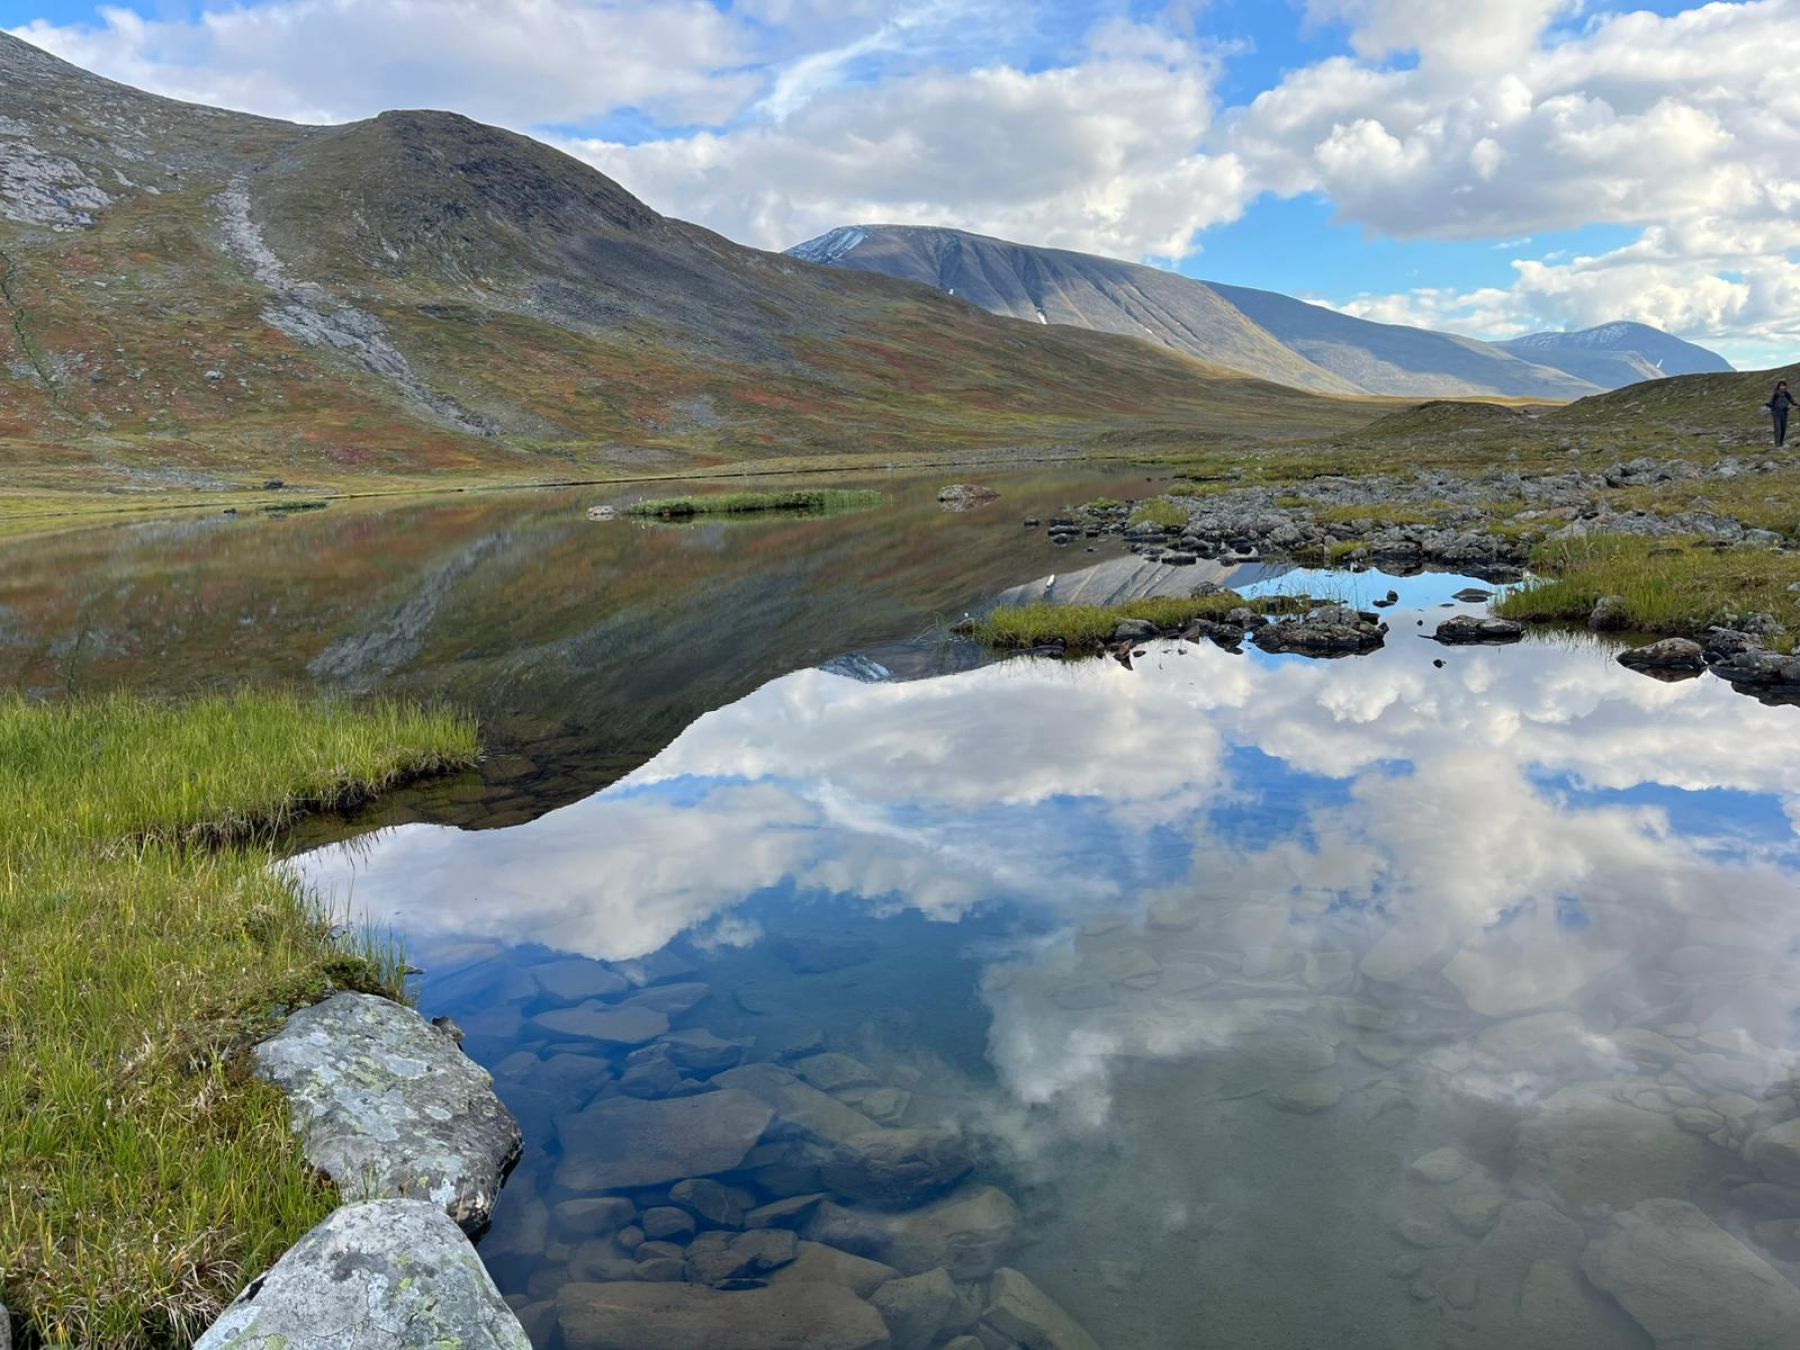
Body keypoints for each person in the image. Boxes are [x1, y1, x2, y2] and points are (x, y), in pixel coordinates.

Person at [1770, 380, 1795, 448]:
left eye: (1784, 386)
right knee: (1778, 428)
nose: (1782, 387)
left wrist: (1797, 404)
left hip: (1784, 412)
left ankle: (1781, 442)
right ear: (1779, 387)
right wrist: (1772, 408)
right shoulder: (1776, 394)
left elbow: (1792, 401)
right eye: (1781, 386)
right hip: (1776, 412)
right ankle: (1777, 444)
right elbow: (1771, 402)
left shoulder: (1787, 394)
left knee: (1783, 428)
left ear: (1786, 386)